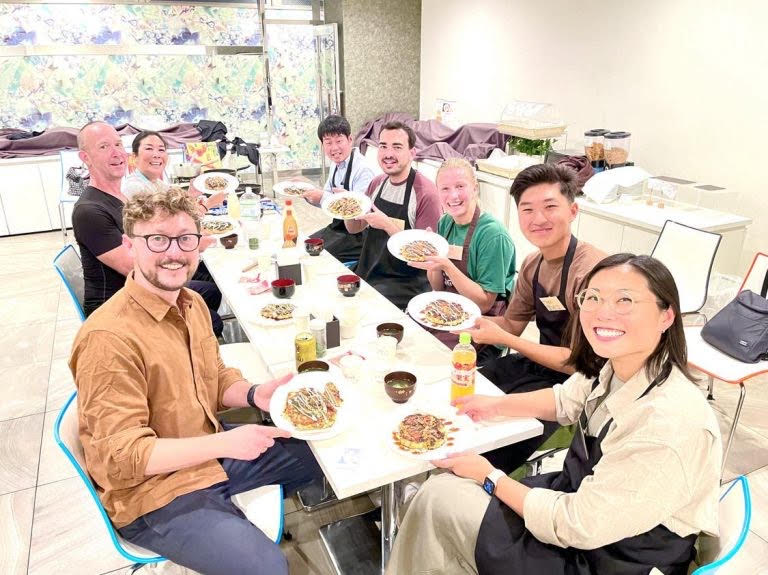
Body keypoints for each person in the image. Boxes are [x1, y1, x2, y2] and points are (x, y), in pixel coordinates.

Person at [386, 254, 722, 575]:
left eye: (625, 300)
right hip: (575, 503)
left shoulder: (669, 426)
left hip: (609, 557)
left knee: (439, 498)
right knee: (446, 488)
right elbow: (564, 400)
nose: (603, 312)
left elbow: (576, 525)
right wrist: (492, 405)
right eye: (593, 298)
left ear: (666, 316)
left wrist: (490, 476)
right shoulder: (616, 367)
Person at [69, 187, 322, 575]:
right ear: (130, 245)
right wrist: (226, 442)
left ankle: (225, 519)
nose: (174, 252)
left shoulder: (192, 304)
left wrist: (255, 394)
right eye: (158, 239)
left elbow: (214, 377)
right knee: (267, 568)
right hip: (153, 492)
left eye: (185, 239)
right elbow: (123, 456)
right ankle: (220, 527)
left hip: (205, 451)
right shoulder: (108, 339)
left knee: (317, 455)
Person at [463, 163, 606, 472]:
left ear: (573, 210)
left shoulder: (591, 273)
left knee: (494, 440)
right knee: (466, 392)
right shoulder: (533, 264)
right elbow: (511, 325)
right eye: (527, 209)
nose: (538, 219)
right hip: (540, 366)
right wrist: (465, 321)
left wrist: (506, 339)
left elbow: (581, 363)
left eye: (550, 207)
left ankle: (488, 488)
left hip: (578, 385)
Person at [71, 122, 224, 335]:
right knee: (210, 319)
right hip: (119, 304)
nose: (116, 153)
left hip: (141, 290)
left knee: (212, 291)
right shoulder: (89, 211)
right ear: (85, 158)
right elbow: (134, 268)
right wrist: (191, 248)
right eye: (104, 147)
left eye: (118, 144)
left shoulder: (120, 197)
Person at [408, 158, 516, 364]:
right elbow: (439, 287)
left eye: (460, 186)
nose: (453, 196)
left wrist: (447, 265)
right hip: (449, 309)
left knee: (431, 359)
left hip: (482, 324)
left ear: (475, 188)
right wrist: (433, 260)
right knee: (407, 336)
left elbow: (484, 303)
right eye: (445, 189)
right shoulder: (446, 222)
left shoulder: (492, 235)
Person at [345, 121, 441, 309]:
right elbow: (354, 228)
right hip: (369, 270)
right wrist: (349, 205)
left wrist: (387, 225)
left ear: (412, 153)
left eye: (397, 147)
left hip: (405, 283)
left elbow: (426, 256)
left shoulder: (426, 193)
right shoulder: (377, 183)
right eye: (383, 146)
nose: (388, 154)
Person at [302, 115, 375, 262]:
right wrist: (307, 191)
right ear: (322, 145)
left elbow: (359, 210)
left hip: (358, 236)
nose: (334, 148)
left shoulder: (363, 169)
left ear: (350, 139)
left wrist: (322, 197)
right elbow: (327, 198)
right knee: (305, 246)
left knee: (317, 257)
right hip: (337, 227)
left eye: (339, 141)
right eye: (328, 142)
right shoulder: (336, 164)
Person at [123, 130, 226, 212]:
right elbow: (166, 225)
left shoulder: (157, 183)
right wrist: (207, 205)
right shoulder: (135, 188)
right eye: (149, 149)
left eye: (161, 150)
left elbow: (174, 210)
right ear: (134, 157)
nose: (157, 155)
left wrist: (192, 195)